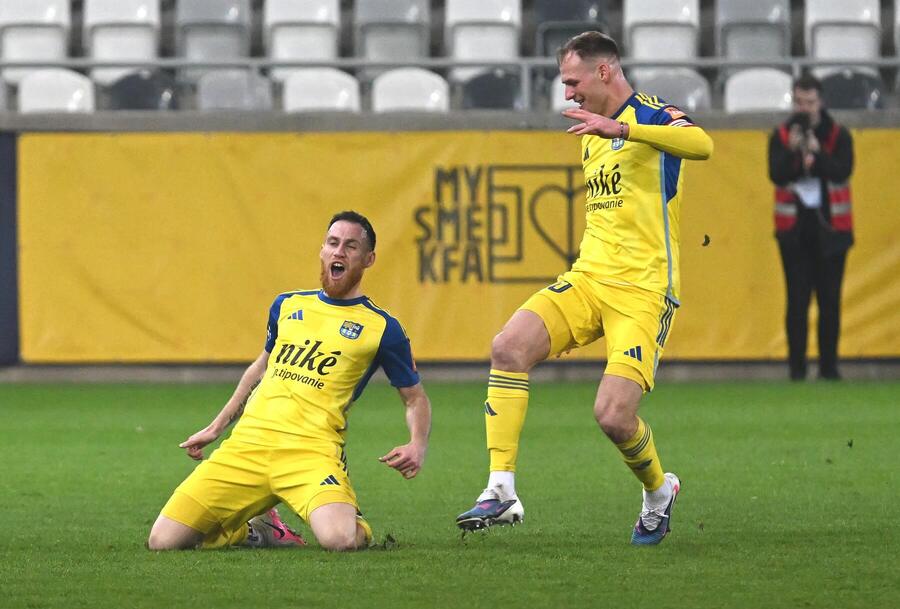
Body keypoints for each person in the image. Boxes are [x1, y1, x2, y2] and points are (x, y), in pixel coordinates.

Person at [455, 32, 713, 545]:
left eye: (573, 82)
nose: (568, 94)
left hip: (643, 290)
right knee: (507, 347)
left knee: (614, 417)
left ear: (604, 71)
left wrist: (624, 127)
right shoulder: (588, 132)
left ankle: (659, 492)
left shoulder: (654, 115)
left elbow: (703, 145)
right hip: (588, 278)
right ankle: (501, 488)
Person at [148, 211, 432, 551]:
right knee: (162, 542)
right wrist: (216, 426)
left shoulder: (383, 328)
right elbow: (260, 369)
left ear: (368, 259)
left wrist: (417, 444)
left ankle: (356, 524)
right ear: (322, 251)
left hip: (309, 450)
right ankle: (257, 530)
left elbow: (414, 397)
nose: (339, 252)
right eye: (332, 243)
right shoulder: (287, 305)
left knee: (340, 541)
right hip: (247, 446)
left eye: (350, 246)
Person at [768, 74, 854, 381]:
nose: (804, 109)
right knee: (797, 302)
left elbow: (843, 170)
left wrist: (816, 153)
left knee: (830, 302)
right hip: (794, 231)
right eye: (799, 102)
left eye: (810, 102)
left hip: (832, 231)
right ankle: (797, 370)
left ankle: (829, 369)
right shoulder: (780, 135)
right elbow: (776, 174)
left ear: (821, 102)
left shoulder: (839, 135)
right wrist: (793, 153)